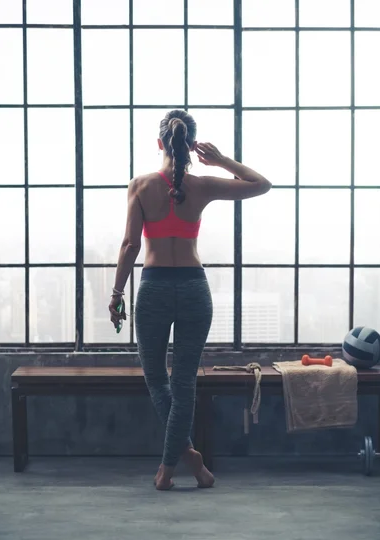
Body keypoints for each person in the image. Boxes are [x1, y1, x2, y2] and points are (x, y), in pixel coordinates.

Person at [109, 109, 272, 490]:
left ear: (160, 143)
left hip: (153, 289)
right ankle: (188, 462)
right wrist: (221, 161)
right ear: (190, 144)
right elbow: (261, 184)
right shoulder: (202, 185)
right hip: (194, 290)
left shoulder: (140, 185)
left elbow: (131, 244)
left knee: (157, 380)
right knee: (184, 385)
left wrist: (117, 293)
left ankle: (174, 463)